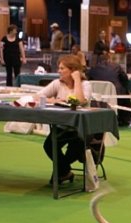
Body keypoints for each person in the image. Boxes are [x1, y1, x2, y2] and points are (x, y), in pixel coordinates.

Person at [35, 55, 92, 184]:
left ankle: (62, 172)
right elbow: (37, 97)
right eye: (59, 68)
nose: (59, 71)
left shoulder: (85, 84)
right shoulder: (57, 83)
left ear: (72, 70)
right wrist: (54, 100)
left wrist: (77, 79)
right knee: (48, 145)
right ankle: (65, 171)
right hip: (62, 127)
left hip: (81, 129)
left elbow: (80, 101)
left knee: (75, 148)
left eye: (62, 68)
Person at [87, 52, 131, 126]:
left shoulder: (92, 69)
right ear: (109, 59)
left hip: (99, 97)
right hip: (117, 95)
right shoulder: (116, 66)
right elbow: (125, 79)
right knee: (125, 93)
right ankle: (125, 119)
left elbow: (88, 81)